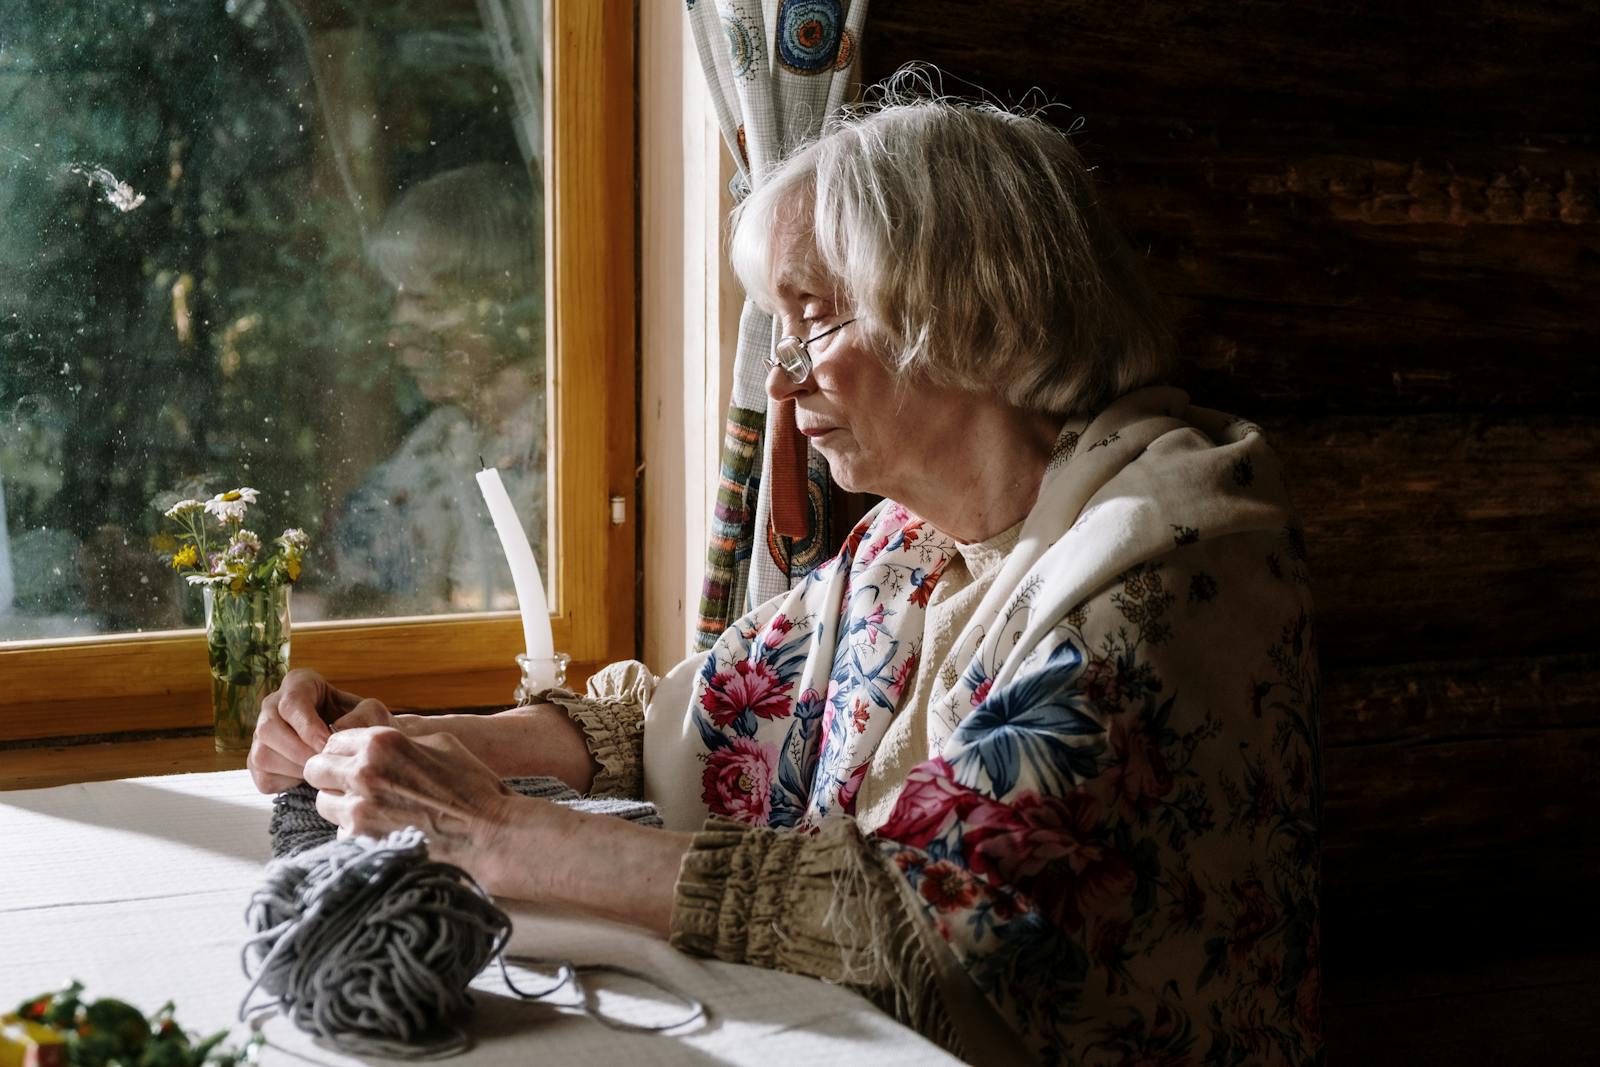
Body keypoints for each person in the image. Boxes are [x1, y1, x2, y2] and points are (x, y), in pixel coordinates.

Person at [249, 95, 1322, 1066]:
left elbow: (931, 913)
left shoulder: (1170, 555)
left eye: (816, 314)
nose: (783, 372)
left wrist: (494, 830)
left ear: (967, 303)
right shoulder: (913, 542)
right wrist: (400, 742)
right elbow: (687, 718)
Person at [331, 163, 545, 615]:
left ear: (498, 303)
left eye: (424, 299)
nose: (397, 328)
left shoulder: (553, 454)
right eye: (398, 296)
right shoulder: (446, 435)